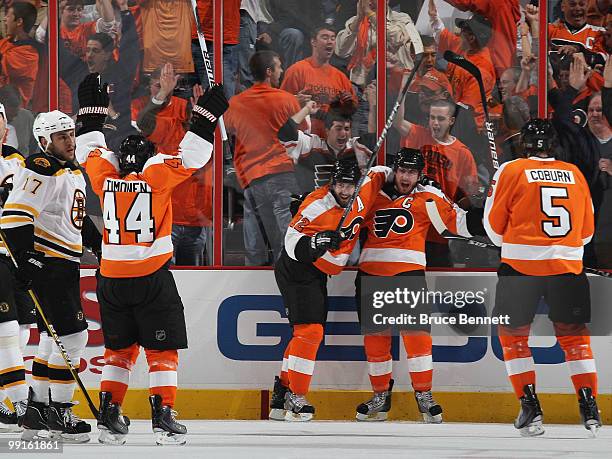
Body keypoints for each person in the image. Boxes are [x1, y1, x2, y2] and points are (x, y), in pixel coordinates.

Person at [74, 74, 228, 445]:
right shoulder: (156, 176)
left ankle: (110, 413)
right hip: (150, 278)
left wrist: (92, 117)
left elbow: (89, 151)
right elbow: (194, 154)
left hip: (110, 280)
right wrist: (205, 118)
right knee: (161, 349)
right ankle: (162, 414)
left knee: (118, 351)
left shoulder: (104, 178)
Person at [483, 118, 601, 436]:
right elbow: (587, 233)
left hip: (521, 269)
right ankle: (589, 405)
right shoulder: (575, 174)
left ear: (524, 144)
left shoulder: (510, 170)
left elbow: (493, 231)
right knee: (575, 339)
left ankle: (530, 406)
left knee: (513, 336)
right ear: (553, 145)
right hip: (568, 269)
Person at [355, 148, 478, 423]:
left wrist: (485, 210)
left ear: (419, 175)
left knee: (417, 335)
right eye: (402, 171)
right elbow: (349, 217)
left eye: (412, 172)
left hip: (407, 275)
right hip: (370, 274)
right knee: (376, 340)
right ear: (394, 171)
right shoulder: (373, 193)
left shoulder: (429, 197)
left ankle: (424, 395)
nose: (406, 177)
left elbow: (459, 223)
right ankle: (380, 397)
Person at [1, 109, 98, 442]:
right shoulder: (39, 170)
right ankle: (60, 410)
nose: (70, 141)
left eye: (71, 134)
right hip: (50, 264)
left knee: (50, 338)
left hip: (65, 263)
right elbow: (13, 217)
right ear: (44, 141)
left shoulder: (69, 171)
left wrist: (96, 243)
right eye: (61, 136)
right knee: (74, 337)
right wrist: (27, 259)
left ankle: (39, 407)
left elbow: (76, 215)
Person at [270, 160, 391, 421]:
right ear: (332, 183)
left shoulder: (363, 192)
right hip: (297, 269)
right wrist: (317, 240)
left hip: (317, 272)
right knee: (310, 331)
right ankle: (296, 397)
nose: (344, 191)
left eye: (349, 185)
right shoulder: (317, 204)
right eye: (340, 184)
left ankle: (282, 394)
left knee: (305, 332)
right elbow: (291, 242)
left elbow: (378, 173)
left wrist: (396, 173)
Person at [224, 50, 302, 265]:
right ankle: (286, 279)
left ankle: (254, 284)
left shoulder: (236, 103)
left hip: (251, 177)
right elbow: (299, 138)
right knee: (288, 239)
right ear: (269, 72)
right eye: (278, 67)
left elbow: (226, 133)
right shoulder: (287, 100)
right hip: (282, 174)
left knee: (254, 241)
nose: (282, 71)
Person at [0, 101, 34, 433]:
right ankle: (19, 404)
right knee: (7, 332)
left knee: (23, 329)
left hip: (15, 255)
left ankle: (3, 398)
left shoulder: (17, 160)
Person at [278, 100, 374, 193]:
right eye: (338, 128)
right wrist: (306, 109)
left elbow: (376, 139)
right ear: (327, 131)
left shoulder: (356, 146)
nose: (344, 133)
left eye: (347, 129)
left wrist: (374, 106)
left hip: (347, 207)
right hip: (312, 206)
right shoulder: (311, 144)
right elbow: (285, 133)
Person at [280, 25, 357, 138]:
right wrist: (295, 101)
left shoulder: (341, 77)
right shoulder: (297, 70)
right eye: (325, 37)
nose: (330, 41)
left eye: (332, 38)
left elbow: (351, 112)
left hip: (330, 141)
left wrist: (348, 104)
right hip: (303, 140)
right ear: (313, 42)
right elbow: (281, 106)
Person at [0, 1, 40, 107]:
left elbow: (3, 66)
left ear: (19, 22)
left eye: (8, 16)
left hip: (15, 113)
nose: (4, 19)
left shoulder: (30, 53)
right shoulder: (6, 42)